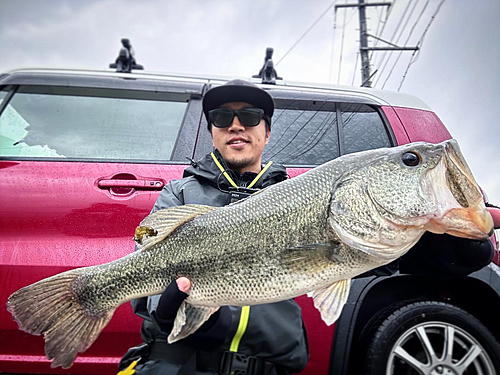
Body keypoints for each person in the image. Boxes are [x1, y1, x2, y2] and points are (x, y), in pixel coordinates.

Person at [119, 80, 309, 375]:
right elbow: (144, 258)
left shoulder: (299, 197)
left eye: (249, 116)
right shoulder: (177, 193)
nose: (235, 126)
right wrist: (174, 311)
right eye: (221, 118)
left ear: (267, 132)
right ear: (212, 133)